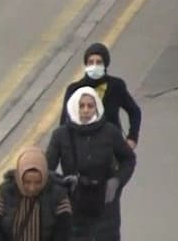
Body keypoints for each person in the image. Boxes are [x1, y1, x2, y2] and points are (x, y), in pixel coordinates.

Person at [46, 88, 136, 241]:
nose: (86, 110)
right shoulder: (61, 135)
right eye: (82, 106)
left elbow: (128, 159)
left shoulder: (110, 132)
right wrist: (62, 184)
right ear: (75, 107)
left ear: (97, 107)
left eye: (90, 105)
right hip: (75, 202)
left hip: (106, 201)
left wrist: (117, 181)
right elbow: (47, 170)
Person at [59, 42, 142, 150]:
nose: (94, 66)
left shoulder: (116, 86)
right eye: (90, 62)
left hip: (112, 148)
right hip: (83, 150)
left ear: (105, 64)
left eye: (98, 62)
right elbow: (64, 123)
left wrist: (132, 137)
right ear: (86, 64)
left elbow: (134, 111)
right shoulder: (74, 89)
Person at [0, 147, 72, 241]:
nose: (32, 188)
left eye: (38, 182)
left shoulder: (58, 195)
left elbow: (63, 232)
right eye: (27, 182)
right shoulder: (6, 191)